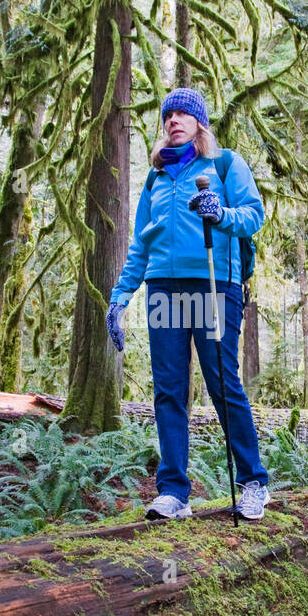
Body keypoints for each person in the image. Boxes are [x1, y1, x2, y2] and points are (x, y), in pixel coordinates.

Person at [105, 87, 271, 520]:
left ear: (200, 123)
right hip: (164, 289)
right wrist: (121, 296)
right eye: (168, 115)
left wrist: (221, 214)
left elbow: (254, 214)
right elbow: (141, 243)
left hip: (214, 284)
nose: (173, 120)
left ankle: (253, 482)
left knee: (222, 382)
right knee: (169, 390)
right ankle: (174, 492)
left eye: (183, 113)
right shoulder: (156, 178)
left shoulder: (224, 164)